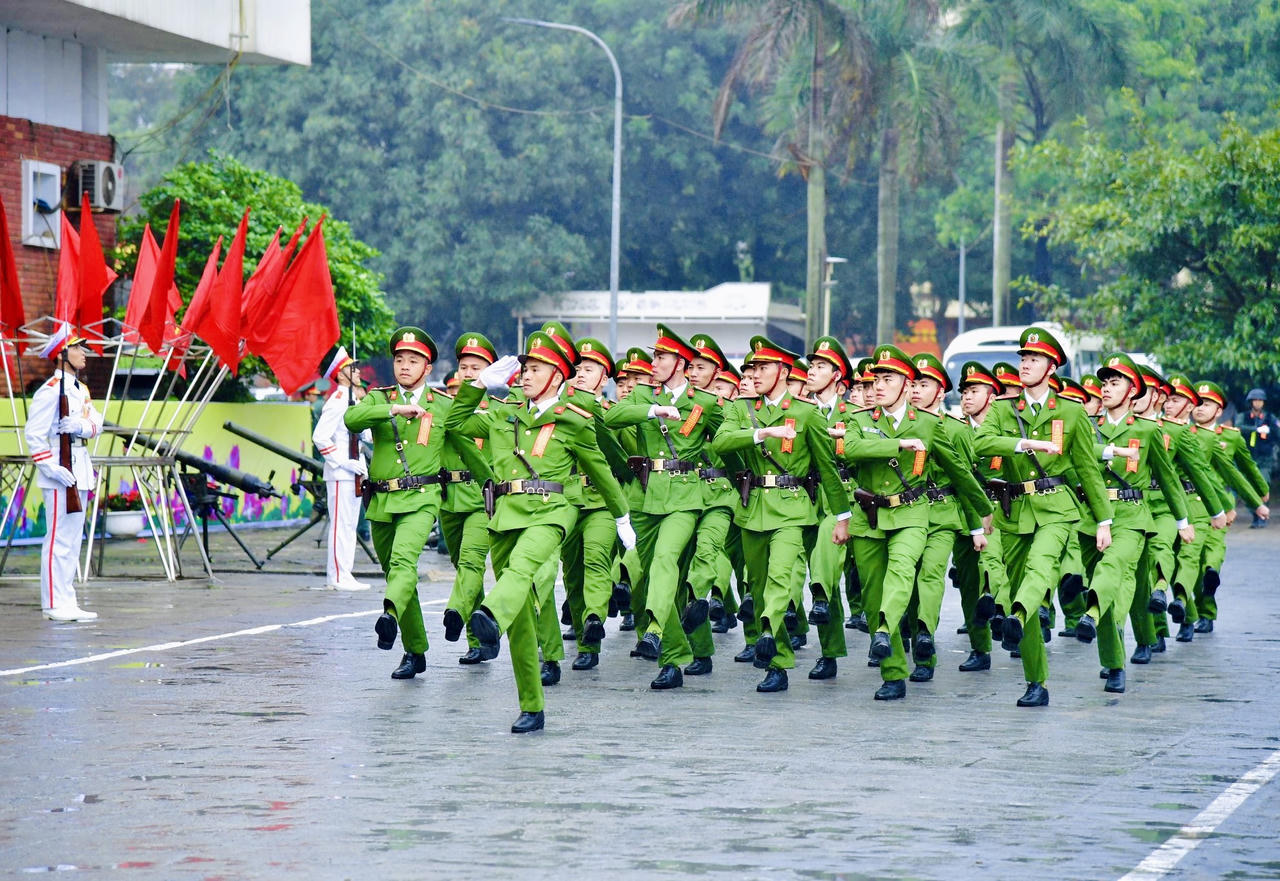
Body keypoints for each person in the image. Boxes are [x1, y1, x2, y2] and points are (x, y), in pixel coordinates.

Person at [449, 332, 633, 733]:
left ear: (557, 375)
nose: (526, 375)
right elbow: (455, 423)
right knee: (521, 623)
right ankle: (532, 705)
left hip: (552, 512)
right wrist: (477, 386)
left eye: (536, 369)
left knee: (522, 570)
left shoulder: (574, 419)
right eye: (525, 368)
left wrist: (621, 518)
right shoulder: (504, 411)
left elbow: (602, 472)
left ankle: (489, 616)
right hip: (504, 515)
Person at [973, 327, 1113, 707]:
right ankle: (1036, 681)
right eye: (1022, 358)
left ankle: (1014, 614)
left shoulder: (1070, 411)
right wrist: (1023, 443)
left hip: (1056, 508)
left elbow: (1087, 469)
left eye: (1033, 359)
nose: (1025, 364)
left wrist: (1103, 521)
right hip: (1014, 510)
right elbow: (981, 442)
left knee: (1040, 568)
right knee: (1025, 588)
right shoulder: (1004, 408)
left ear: (1051, 367)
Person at [712, 336, 850, 693]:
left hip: (794, 507)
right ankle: (778, 664)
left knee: (780, 577)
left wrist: (842, 516)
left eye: (763, 368)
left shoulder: (805, 413)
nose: (755, 374)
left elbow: (827, 469)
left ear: (785, 372)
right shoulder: (742, 409)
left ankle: (771, 630)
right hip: (753, 506)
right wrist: (760, 433)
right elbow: (721, 443)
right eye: (752, 368)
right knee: (756, 585)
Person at [603, 324, 725, 690]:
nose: (654, 363)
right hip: (645, 497)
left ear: (682, 364)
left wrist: (729, 489)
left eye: (662, 357)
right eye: (654, 356)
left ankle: (657, 633)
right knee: (645, 578)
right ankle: (680, 650)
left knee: (665, 562)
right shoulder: (642, 394)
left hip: (686, 498)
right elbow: (611, 418)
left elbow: (725, 441)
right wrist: (652, 410)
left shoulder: (702, 403)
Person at [344, 327, 453, 681]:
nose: (405, 366)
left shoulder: (443, 406)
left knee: (405, 563)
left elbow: (472, 442)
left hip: (422, 499)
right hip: (382, 501)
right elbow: (352, 419)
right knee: (398, 574)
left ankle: (388, 616)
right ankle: (416, 650)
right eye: (400, 360)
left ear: (428, 368)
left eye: (414, 361)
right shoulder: (379, 399)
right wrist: (394, 409)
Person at [27, 324, 102, 622]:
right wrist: (51, 467)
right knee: (57, 539)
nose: (83, 353)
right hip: (60, 471)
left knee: (72, 541)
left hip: (79, 468)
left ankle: (66, 599)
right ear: (62, 354)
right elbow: (34, 435)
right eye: (77, 348)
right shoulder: (49, 392)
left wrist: (80, 427)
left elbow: (97, 423)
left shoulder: (79, 389)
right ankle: (53, 603)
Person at [439, 333, 499, 665]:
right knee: (463, 568)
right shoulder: (446, 408)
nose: (469, 373)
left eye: (477, 368)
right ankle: (484, 639)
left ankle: (458, 616)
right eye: (464, 367)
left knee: (471, 562)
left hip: (482, 498)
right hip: (450, 500)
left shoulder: (499, 412)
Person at [312, 345, 371, 591]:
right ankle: (337, 576)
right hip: (340, 473)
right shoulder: (337, 401)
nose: (357, 371)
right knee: (339, 525)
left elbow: (364, 435)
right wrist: (342, 462)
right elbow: (320, 437)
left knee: (348, 525)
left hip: (355, 472)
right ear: (340, 373)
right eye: (351, 368)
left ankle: (345, 573)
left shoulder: (353, 400)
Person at [1238, 389, 1277, 527]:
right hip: (1248, 458)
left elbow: (1277, 434)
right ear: (1251, 402)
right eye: (1255, 400)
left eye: (1260, 400)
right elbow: (1238, 428)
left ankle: (1263, 516)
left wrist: (1271, 430)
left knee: (1263, 485)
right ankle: (1255, 515)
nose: (1258, 403)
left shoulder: (1269, 417)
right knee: (1249, 487)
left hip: (1265, 458)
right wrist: (1255, 430)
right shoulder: (1244, 416)